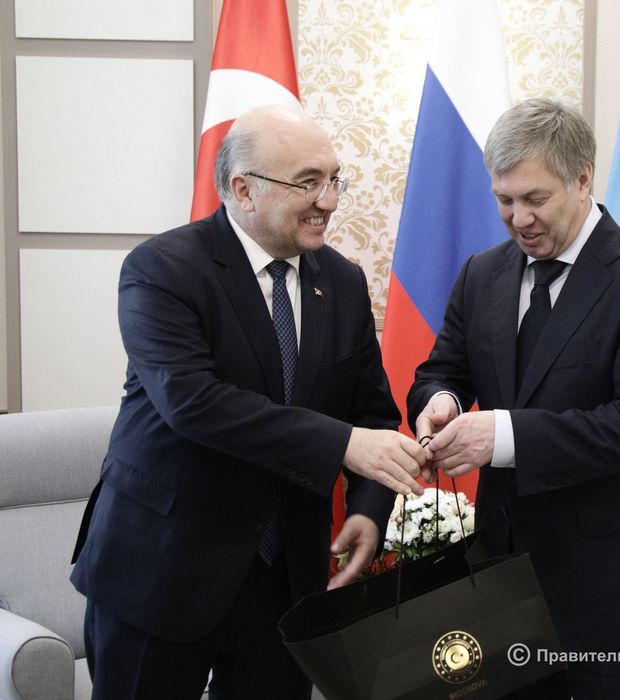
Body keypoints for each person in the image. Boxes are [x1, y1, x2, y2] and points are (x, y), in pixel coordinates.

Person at [71, 104, 426, 699]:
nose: (328, 200)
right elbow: (193, 402)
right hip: (163, 568)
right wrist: (343, 444)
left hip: (285, 580)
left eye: (333, 179)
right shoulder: (162, 269)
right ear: (243, 189)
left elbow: (371, 415)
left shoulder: (341, 282)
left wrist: (367, 511)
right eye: (307, 182)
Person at [408, 98, 620, 699]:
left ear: (583, 178)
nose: (518, 219)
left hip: (609, 597)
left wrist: (502, 436)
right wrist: (443, 403)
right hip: (501, 588)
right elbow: (441, 372)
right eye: (504, 200)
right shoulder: (481, 274)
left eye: (535, 198)